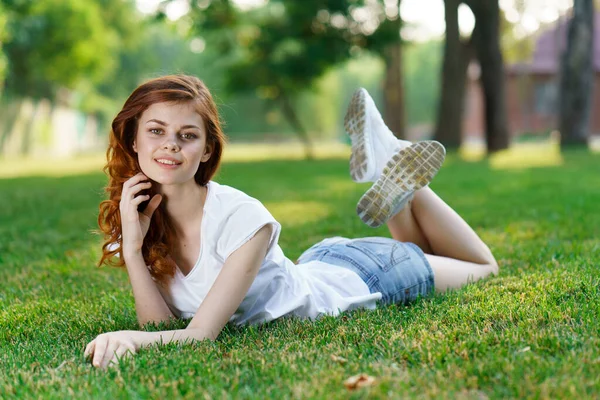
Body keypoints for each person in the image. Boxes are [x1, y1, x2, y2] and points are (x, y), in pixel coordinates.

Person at [84, 75, 498, 369]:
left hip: (369, 278)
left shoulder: (243, 219)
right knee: (424, 253)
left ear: (208, 150)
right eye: (156, 131)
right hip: (319, 264)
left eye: (187, 135)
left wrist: (124, 340)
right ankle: (395, 183)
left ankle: (399, 168)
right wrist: (134, 252)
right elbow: (160, 326)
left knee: (484, 269)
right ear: (134, 140)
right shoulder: (140, 219)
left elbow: (197, 338)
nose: (170, 144)